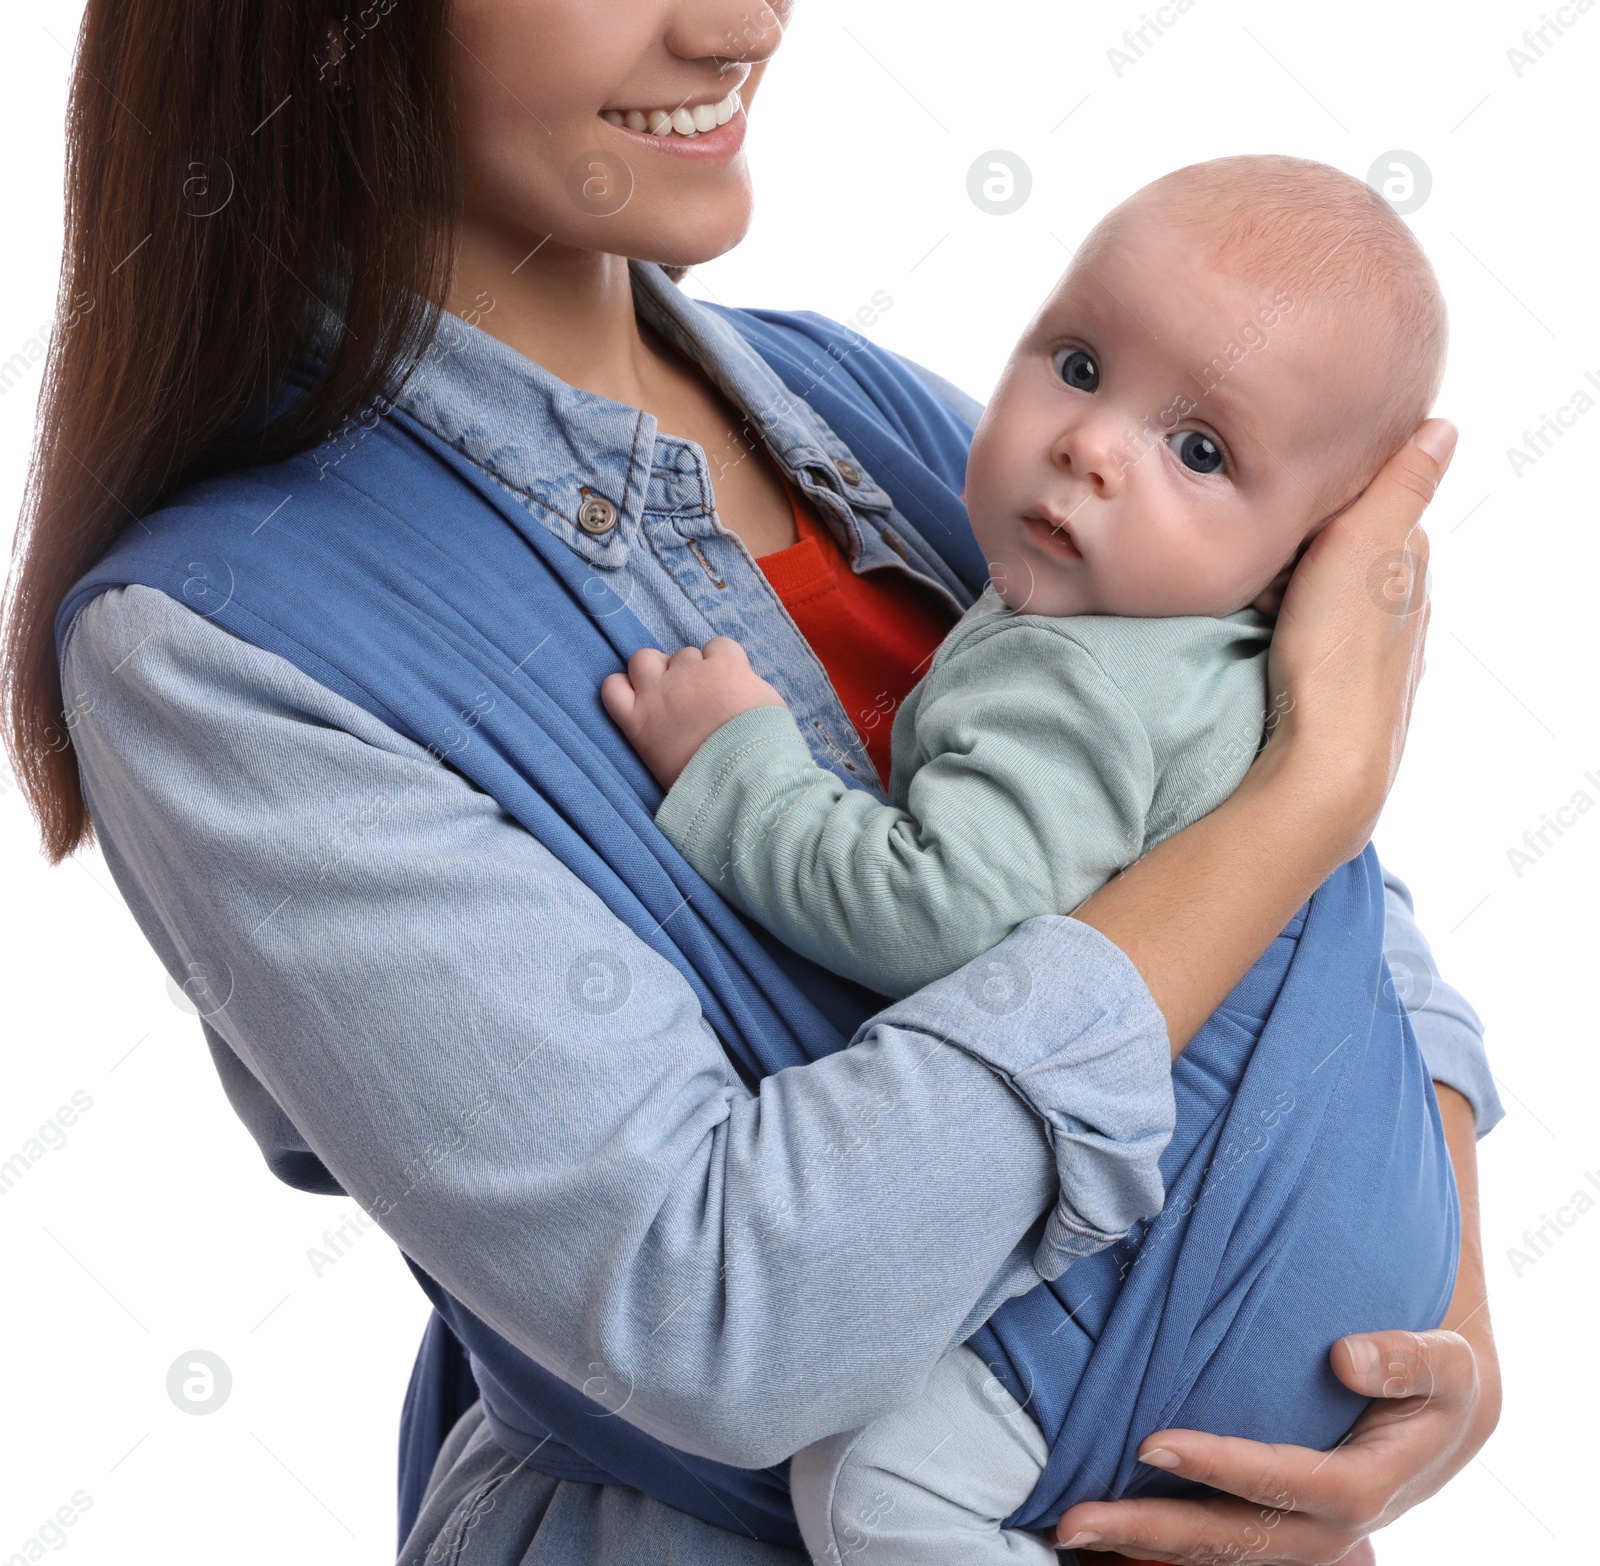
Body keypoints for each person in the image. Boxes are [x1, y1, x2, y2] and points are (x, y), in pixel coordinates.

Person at [1, 4, 1501, 1564]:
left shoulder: (872, 409)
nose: (741, 20)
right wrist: (1314, 789)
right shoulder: (226, 642)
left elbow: (1292, 890)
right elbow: (732, 1316)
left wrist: (1428, 1309)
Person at [605, 153, 1464, 1563]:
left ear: (1306, 552)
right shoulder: (1236, 670)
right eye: (1078, 362)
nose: (1094, 446)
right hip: (1370, 1261)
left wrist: (736, 767)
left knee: (876, 1493)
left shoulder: (1073, 675)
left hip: (1212, 1262)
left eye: (1202, 452)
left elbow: (940, 912)